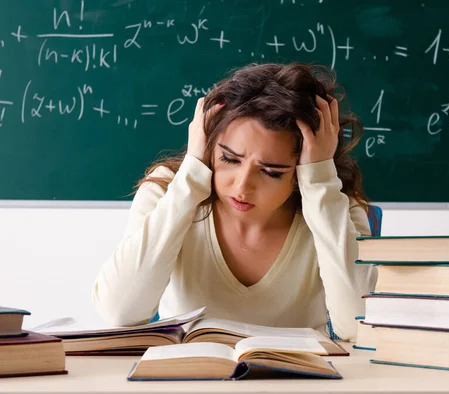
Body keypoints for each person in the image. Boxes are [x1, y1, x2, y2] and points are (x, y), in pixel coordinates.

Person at [91, 63, 377, 341]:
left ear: (300, 171)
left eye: (270, 172)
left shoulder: (334, 202)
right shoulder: (168, 190)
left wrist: (319, 184)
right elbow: (120, 314)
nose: (241, 186)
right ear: (206, 142)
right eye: (229, 158)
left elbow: (357, 325)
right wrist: (190, 180)